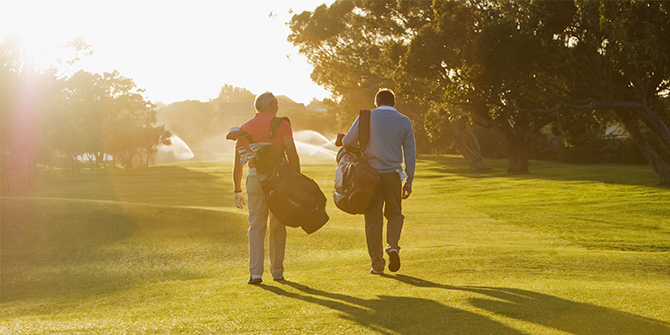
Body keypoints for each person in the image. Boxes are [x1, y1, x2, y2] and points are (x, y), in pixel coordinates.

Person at [342, 88, 416, 274]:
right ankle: (393, 246)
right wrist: (409, 180)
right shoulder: (404, 121)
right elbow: (410, 153)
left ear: (377, 102)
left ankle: (377, 265)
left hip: (369, 176)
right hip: (393, 174)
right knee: (394, 213)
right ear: (393, 103)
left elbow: (347, 141)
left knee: (373, 220)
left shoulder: (367, 117)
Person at [232, 92, 301, 284]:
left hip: (254, 179)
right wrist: (296, 180)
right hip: (278, 179)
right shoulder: (281, 124)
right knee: (278, 224)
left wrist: (237, 190)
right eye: (276, 103)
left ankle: (255, 273)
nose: (278, 106)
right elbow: (292, 154)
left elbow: (239, 162)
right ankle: (277, 272)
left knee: (256, 225)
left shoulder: (244, 127)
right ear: (270, 104)